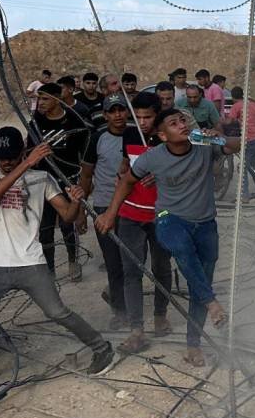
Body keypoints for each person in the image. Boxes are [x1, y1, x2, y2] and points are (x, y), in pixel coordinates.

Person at [0, 130, 113, 386]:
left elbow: (66, 215)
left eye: (12, 157)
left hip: (30, 260)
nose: (6, 162)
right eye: (2, 158)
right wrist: (25, 164)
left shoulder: (41, 178)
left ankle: (102, 348)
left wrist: (77, 201)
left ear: (22, 151)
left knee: (58, 312)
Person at [122, 108, 239, 367]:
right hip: (170, 218)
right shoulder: (153, 158)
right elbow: (127, 181)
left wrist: (216, 137)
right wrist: (110, 212)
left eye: (183, 120)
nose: (182, 125)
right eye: (174, 124)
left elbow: (237, 145)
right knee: (182, 250)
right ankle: (212, 304)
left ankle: (193, 345)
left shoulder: (203, 146)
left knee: (201, 280)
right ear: (163, 135)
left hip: (205, 223)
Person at [95, 92, 173, 354]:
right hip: (131, 213)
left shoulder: (170, 136)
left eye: (148, 117)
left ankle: (161, 314)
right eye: (137, 116)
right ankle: (136, 330)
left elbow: (184, 169)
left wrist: (162, 174)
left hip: (161, 213)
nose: (142, 122)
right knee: (132, 271)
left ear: (158, 114)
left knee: (162, 266)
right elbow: (127, 164)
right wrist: (124, 168)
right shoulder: (129, 135)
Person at [79, 97, 134, 330]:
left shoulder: (137, 135)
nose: (118, 115)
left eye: (122, 110)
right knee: (113, 262)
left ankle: (133, 307)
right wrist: (81, 211)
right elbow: (86, 176)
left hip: (133, 207)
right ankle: (120, 312)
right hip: (103, 206)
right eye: (113, 111)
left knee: (132, 261)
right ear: (105, 114)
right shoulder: (97, 139)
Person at [28, 83, 91, 280]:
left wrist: (81, 201)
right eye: (39, 98)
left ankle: (73, 261)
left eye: (45, 98)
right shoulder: (35, 122)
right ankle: (50, 271)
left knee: (67, 224)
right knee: (45, 229)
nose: (40, 103)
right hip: (42, 182)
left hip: (67, 180)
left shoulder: (73, 121)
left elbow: (84, 159)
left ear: (57, 99)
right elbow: (28, 151)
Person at [225, 86, 255, 196]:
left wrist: (221, 121)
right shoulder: (251, 104)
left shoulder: (236, 106)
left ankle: (244, 196)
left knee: (243, 166)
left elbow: (228, 122)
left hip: (251, 139)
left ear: (233, 97)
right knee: (252, 165)